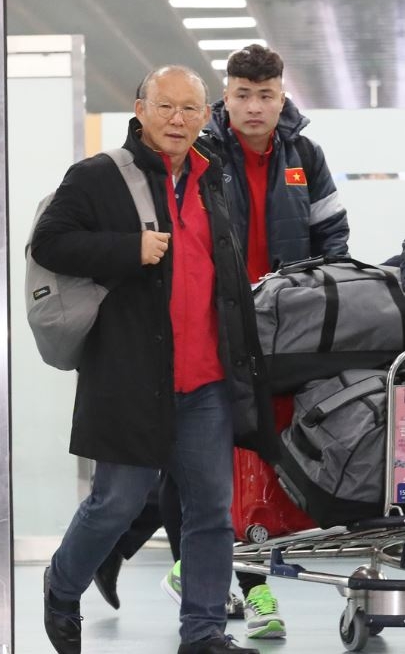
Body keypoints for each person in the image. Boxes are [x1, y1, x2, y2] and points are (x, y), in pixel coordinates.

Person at [94, 44, 350, 641]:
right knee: (207, 460)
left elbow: (332, 234)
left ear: (282, 96)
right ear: (225, 97)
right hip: (216, 325)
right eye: (242, 94)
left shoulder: (304, 155)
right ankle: (239, 586)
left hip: (284, 327)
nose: (254, 107)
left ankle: (140, 551)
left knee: (236, 455)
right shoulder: (201, 151)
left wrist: (317, 301)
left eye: (266, 95)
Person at [31, 64, 265, 654]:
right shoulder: (98, 177)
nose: (178, 120)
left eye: (190, 109)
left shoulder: (214, 180)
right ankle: (61, 586)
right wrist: (126, 249)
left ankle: (204, 632)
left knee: (211, 510)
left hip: (206, 378)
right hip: (130, 374)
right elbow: (50, 243)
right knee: (117, 502)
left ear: (207, 118)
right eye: (165, 107)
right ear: (140, 110)